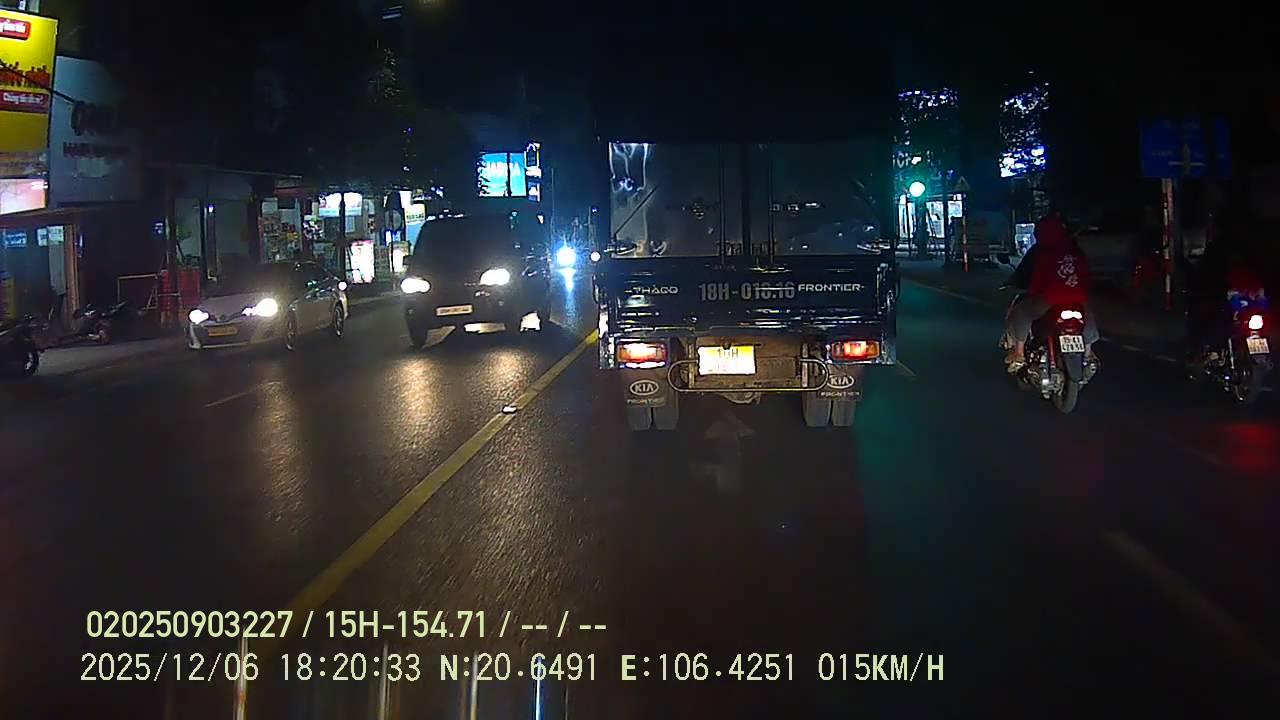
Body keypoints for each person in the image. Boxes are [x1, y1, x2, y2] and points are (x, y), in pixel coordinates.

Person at [1004, 214, 1099, 370]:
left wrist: (1033, 292)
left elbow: (1037, 279)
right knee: (1087, 314)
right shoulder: (1075, 250)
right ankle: (1089, 352)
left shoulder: (1043, 251)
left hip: (1051, 297)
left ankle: (1019, 354)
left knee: (1021, 311)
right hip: (1078, 296)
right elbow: (1086, 276)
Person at [1186, 203, 1268, 364]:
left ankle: (1213, 351)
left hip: (1231, 298)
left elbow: (1206, 274)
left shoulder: (1220, 249)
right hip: (1242, 297)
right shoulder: (1248, 246)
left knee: (1207, 315)